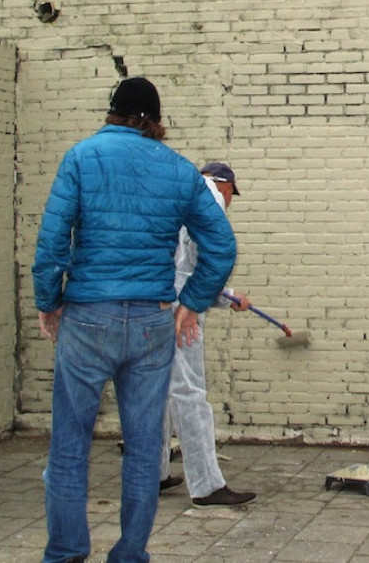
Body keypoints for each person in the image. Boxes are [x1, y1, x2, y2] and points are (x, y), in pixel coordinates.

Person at [34, 77, 236, 563]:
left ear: (112, 112)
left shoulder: (81, 157)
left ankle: (65, 552)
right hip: (152, 322)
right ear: (154, 119)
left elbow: (52, 241)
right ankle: (128, 554)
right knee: (146, 451)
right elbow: (222, 246)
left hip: (87, 318)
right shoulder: (179, 170)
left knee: (68, 446)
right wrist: (193, 300)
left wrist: (48, 300)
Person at [158, 161, 257, 506]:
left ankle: (152, 475)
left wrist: (225, 296)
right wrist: (226, 296)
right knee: (189, 392)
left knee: (155, 392)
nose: (229, 202)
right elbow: (204, 262)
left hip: (150, 302)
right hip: (180, 308)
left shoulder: (174, 189)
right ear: (225, 185)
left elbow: (178, 260)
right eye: (232, 195)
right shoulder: (210, 197)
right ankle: (206, 485)